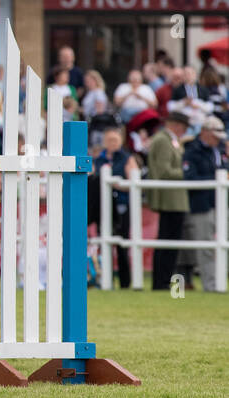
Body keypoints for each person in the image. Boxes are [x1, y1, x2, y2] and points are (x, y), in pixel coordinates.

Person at [146, 110, 190, 291]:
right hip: (169, 197)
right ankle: (161, 281)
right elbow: (164, 171)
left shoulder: (168, 139)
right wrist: (188, 173)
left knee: (169, 240)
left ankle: (164, 280)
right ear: (176, 125)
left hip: (174, 197)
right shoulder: (163, 140)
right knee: (167, 240)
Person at [181, 114, 225, 292]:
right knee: (205, 246)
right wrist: (217, 178)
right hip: (201, 205)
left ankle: (218, 281)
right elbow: (190, 178)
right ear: (205, 132)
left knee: (220, 245)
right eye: (215, 136)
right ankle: (211, 285)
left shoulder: (219, 149)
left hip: (219, 203)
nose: (218, 140)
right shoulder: (192, 150)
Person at [94, 126, 140, 289]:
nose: (111, 143)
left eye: (114, 140)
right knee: (102, 241)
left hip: (121, 204)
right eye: (108, 140)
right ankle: (103, 278)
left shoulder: (127, 158)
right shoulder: (98, 159)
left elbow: (133, 181)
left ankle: (125, 282)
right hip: (102, 206)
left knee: (122, 243)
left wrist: (114, 184)